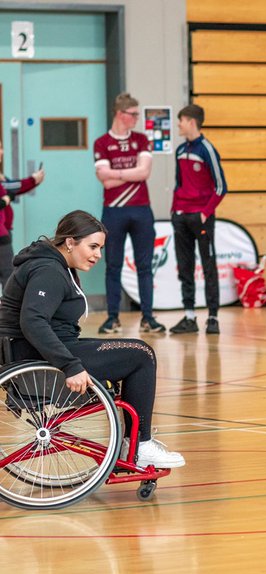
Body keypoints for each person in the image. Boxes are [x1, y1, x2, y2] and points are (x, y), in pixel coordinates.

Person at [0, 210, 184, 468]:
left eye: (100, 248)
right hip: (36, 359)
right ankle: (140, 446)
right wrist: (70, 366)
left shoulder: (54, 265)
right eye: (93, 246)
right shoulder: (48, 270)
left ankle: (134, 444)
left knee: (137, 350)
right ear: (70, 242)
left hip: (40, 351)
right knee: (141, 355)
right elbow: (33, 321)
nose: (98, 255)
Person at [93, 92, 163, 335]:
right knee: (113, 266)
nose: (136, 118)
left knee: (145, 266)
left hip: (141, 210)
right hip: (114, 211)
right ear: (120, 114)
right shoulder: (102, 143)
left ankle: (148, 318)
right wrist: (132, 174)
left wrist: (117, 174)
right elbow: (104, 179)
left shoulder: (141, 140)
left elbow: (144, 173)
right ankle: (112, 318)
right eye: (133, 114)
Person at [168, 104, 227, 336]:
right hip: (181, 217)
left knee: (208, 266)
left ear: (191, 122)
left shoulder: (207, 149)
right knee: (185, 267)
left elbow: (221, 187)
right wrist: (174, 211)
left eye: (181, 120)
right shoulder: (180, 150)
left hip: (201, 218)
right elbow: (179, 184)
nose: (178, 124)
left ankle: (213, 317)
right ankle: (190, 316)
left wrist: (205, 212)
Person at [0, 141, 44, 285]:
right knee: (8, 275)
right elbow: (10, 188)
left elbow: (9, 187)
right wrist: (33, 180)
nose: (2, 152)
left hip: (5, 230)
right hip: (1, 233)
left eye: (1, 147)